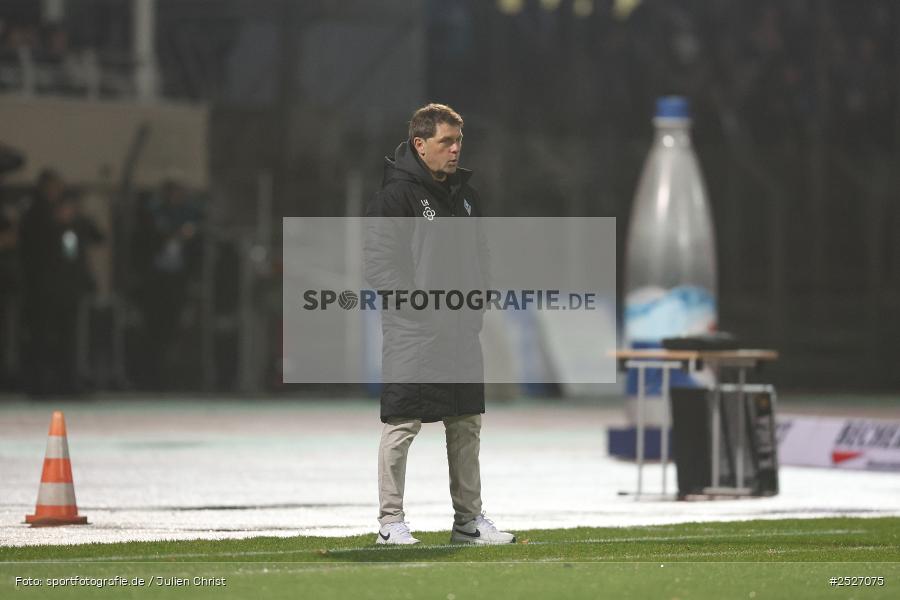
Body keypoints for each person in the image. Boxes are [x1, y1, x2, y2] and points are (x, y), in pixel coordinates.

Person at [364, 103, 515, 545]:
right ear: (420, 145)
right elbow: (378, 264)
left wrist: (478, 299)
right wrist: (419, 308)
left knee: (466, 424)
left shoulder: (466, 196)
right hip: (415, 331)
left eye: (458, 141)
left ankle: (468, 523)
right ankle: (390, 524)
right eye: (446, 142)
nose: (455, 150)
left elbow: (480, 253)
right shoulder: (394, 197)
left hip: (460, 331)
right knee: (402, 425)